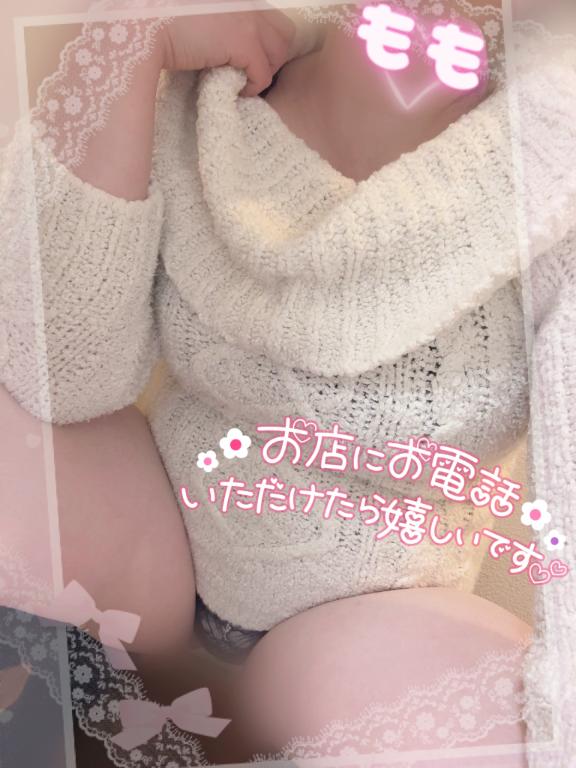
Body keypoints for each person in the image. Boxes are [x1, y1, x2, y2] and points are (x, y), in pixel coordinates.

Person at [1, 3, 575, 765]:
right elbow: (58, 378)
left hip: (365, 625)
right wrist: (128, 45)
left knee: (494, 724)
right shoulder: (206, 79)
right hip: (156, 542)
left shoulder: (550, 162)